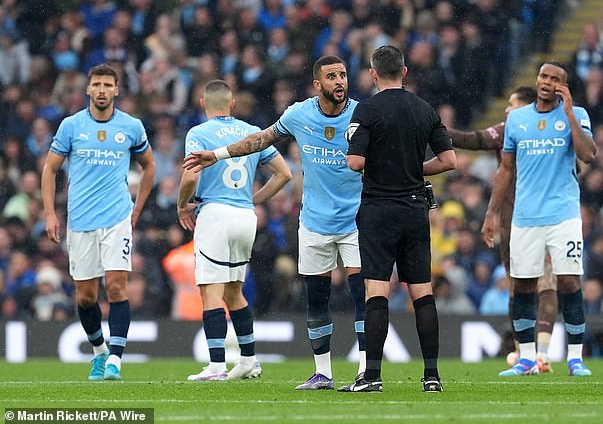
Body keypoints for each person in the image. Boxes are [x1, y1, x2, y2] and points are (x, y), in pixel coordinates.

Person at [183, 56, 367, 390]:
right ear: (317, 84)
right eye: (331, 76)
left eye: (342, 75)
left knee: (361, 294)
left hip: (356, 219)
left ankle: (367, 371)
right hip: (312, 222)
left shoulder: (362, 113)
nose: (339, 81)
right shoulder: (298, 114)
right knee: (315, 298)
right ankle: (322, 373)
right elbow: (263, 140)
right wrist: (220, 155)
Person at [340, 45, 456, 393]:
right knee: (422, 292)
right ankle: (432, 376)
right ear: (404, 72)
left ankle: (372, 375)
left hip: (378, 210)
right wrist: (413, 168)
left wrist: (384, 164)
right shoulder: (424, 109)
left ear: (373, 74)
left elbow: (355, 163)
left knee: (377, 291)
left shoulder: (367, 110)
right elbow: (449, 160)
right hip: (415, 209)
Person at [41, 63, 156, 381]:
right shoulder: (71, 126)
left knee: (117, 288)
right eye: (97, 85)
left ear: (117, 90)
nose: (103, 90)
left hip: (117, 218)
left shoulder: (131, 126)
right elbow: (50, 169)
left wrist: (137, 208)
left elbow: (149, 165)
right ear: (88, 89)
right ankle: (99, 352)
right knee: (86, 297)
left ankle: (116, 361)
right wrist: (50, 213)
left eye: (108, 85)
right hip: (80, 221)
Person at [481, 62, 597, 377]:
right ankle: (527, 359)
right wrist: (491, 213)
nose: (547, 82)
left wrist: (570, 112)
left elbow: (587, 154)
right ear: (537, 80)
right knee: (522, 286)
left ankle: (575, 359)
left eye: (554, 79)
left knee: (570, 281)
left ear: (563, 86)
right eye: (543, 76)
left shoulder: (578, 115)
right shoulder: (518, 119)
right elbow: (505, 170)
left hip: (564, 215)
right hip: (525, 218)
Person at [178, 79, 291, 381]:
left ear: (203, 103)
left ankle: (216, 367)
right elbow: (284, 174)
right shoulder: (250, 133)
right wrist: (253, 200)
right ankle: (249, 361)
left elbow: (190, 175)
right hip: (245, 216)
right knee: (234, 292)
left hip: (215, 214)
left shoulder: (199, 133)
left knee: (210, 291)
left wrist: (182, 204)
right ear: (231, 104)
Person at [448, 86, 558, 372]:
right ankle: (525, 352)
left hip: (543, 218)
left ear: (525, 107)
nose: (507, 110)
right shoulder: (508, 129)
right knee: (516, 289)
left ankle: (541, 354)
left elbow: (475, 140)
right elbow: (477, 140)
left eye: (512, 104)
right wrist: (438, 132)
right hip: (511, 225)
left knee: (545, 285)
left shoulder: (544, 130)